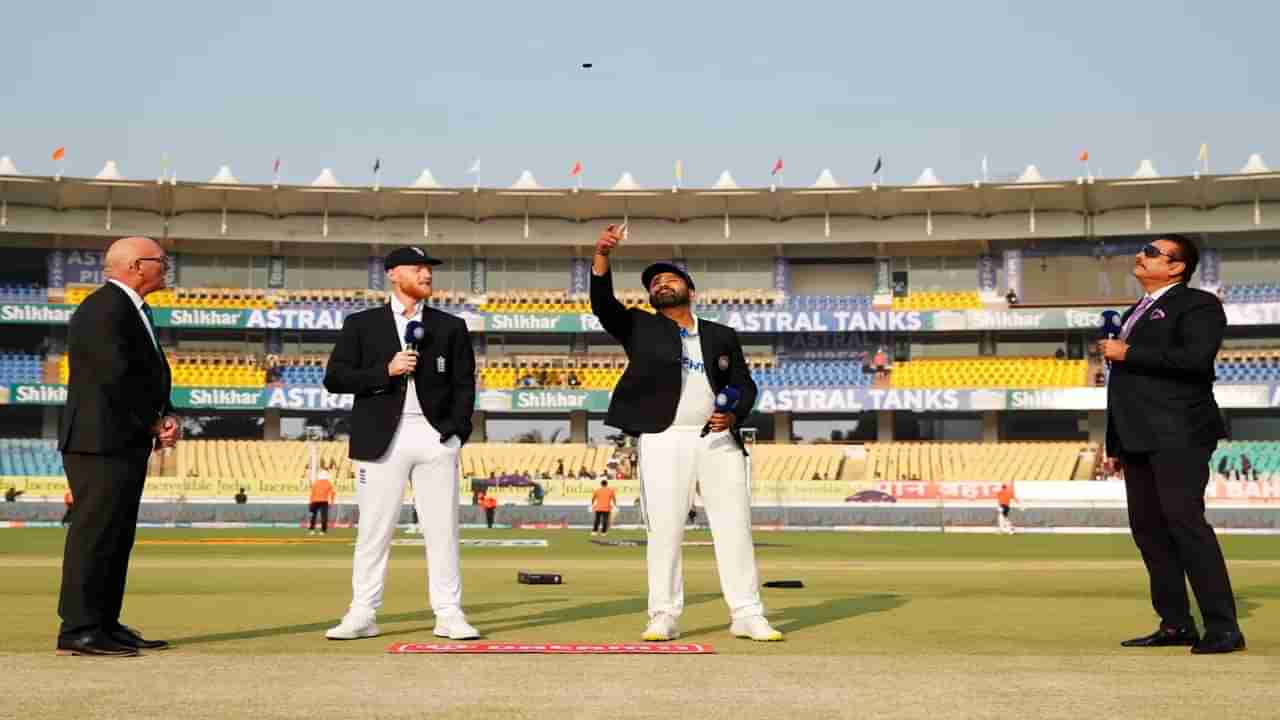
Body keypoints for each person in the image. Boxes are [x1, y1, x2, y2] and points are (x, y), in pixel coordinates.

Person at [591, 223, 782, 643]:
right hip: (663, 436)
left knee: (734, 526)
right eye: (654, 282)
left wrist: (734, 416)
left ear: (690, 290)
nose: (661, 283)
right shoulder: (638, 326)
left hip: (716, 440)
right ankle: (663, 614)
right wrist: (603, 256)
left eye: (669, 278)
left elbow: (746, 385)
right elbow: (603, 304)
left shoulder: (721, 335)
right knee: (665, 529)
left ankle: (747, 613)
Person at [322, 246, 479, 642]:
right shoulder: (362, 324)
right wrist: (385, 371)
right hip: (381, 438)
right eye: (418, 268)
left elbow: (465, 385)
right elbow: (336, 378)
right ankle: (362, 613)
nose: (427, 274)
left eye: (429, 269)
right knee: (374, 530)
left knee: (443, 530)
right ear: (393, 274)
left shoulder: (450, 326)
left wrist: (457, 433)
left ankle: (448, 613)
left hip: (436, 437)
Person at [1099, 234, 1243, 655]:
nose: (1140, 256)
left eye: (1151, 252)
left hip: (1179, 432)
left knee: (1185, 525)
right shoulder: (1135, 311)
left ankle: (1224, 627)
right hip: (1137, 437)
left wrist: (1129, 353)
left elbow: (1196, 361)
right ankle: (1176, 623)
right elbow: (1126, 383)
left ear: (1177, 267)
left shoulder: (1198, 304)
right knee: (1149, 531)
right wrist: (1117, 443)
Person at [56, 236, 178, 657]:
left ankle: (105, 622)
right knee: (95, 535)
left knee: (115, 536)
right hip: (99, 440)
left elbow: (145, 374)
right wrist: (150, 421)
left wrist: (164, 414)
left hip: (120, 438)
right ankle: (80, 627)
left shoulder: (129, 308)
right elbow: (114, 378)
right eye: (160, 260)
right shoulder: (103, 308)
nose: (166, 266)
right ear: (134, 265)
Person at [309, 468, 336, 536]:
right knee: (324, 516)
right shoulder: (328, 483)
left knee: (313, 516)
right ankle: (323, 531)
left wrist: (310, 502)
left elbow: (312, 493)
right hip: (324, 502)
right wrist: (332, 502)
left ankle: (312, 530)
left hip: (314, 502)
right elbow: (333, 493)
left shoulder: (315, 483)